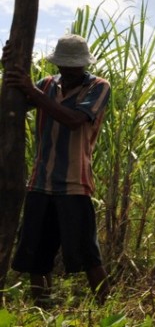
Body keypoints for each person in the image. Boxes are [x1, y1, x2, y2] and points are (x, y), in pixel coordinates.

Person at [2, 34, 111, 306]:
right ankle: (43, 307)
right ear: (58, 65)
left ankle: (105, 309)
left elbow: (74, 120)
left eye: (75, 65)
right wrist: (10, 69)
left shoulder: (98, 86)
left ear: (84, 65)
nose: (70, 70)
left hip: (75, 184)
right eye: (65, 65)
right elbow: (12, 103)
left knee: (88, 254)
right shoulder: (47, 85)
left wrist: (32, 91)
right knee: (37, 256)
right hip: (40, 183)